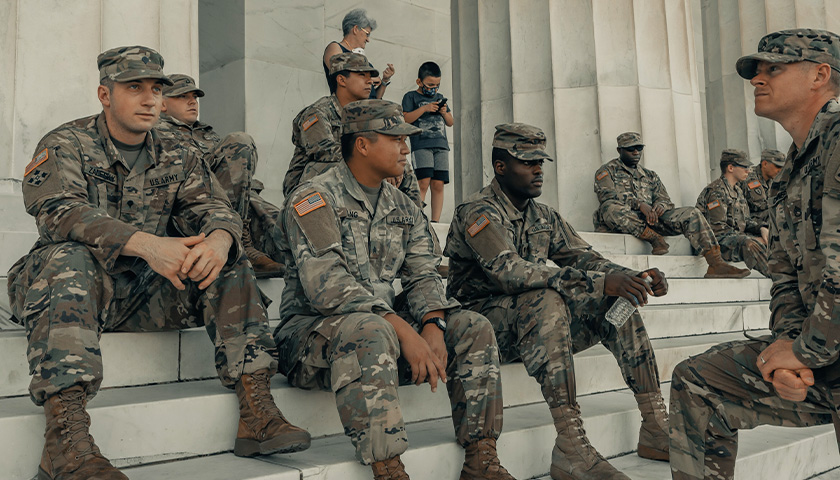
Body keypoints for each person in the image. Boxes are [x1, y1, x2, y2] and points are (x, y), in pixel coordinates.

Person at [5, 46, 310, 480]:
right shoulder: (66, 143)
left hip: (143, 293)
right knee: (69, 258)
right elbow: (58, 210)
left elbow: (214, 208)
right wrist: (147, 244)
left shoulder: (178, 152)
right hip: (68, 291)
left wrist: (222, 240)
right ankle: (64, 441)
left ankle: (256, 409)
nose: (150, 99)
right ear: (104, 95)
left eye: (156, 88)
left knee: (222, 259)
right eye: (134, 88)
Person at [273, 99, 513, 480]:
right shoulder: (313, 197)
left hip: (383, 335)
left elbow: (422, 273)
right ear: (363, 145)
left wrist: (432, 324)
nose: (406, 149)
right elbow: (326, 286)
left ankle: (481, 459)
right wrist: (403, 329)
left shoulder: (403, 204)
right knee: (372, 329)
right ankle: (389, 469)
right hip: (311, 339)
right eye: (396, 139)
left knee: (471, 326)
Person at [445, 123, 669, 480]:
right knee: (546, 298)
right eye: (527, 162)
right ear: (500, 167)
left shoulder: (542, 215)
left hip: (533, 331)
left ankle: (656, 425)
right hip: (482, 331)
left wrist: (633, 276)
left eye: (540, 162)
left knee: (617, 301)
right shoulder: (477, 212)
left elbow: (586, 258)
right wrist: (599, 282)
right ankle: (571, 444)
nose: (537, 170)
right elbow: (510, 272)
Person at [670, 29, 840, 480]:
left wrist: (805, 351)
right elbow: (785, 277)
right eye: (757, 71)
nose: (757, 80)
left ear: (820, 75)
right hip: (825, 352)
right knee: (700, 379)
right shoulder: (791, 171)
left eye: (773, 69)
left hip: (827, 345)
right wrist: (788, 345)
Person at [156, 73, 284, 277]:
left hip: (233, 201)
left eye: (195, 97)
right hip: (193, 206)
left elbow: (236, 174)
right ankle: (239, 243)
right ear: (162, 104)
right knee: (239, 140)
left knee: (284, 225)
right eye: (182, 97)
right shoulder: (154, 133)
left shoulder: (208, 134)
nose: (192, 102)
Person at [593, 132, 750, 278]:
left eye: (639, 148)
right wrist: (640, 205)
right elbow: (607, 195)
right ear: (619, 150)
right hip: (628, 218)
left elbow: (665, 199)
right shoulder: (607, 171)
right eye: (630, 149)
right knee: (609, 208)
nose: (636, 152)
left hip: (653, 219)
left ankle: (716, 263)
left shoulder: (650, 175)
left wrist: (660, 206)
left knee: (692, 213)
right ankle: (654, 238)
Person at [284, 53, 421, 206]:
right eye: (362, 75)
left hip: (352, 175)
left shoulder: (365, 117)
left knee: (402, 165)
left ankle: (414, 218)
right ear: (341, 80)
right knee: (338, 165)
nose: (369, 81)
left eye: (370, 76)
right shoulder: (318, 112)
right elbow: (322, 150)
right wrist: (376, 163)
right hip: (309, 184)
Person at [695, 149, 770, 277]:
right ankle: (779, 278)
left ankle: (790, 273)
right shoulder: (716, 191)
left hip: (732, 238)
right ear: (730, 168)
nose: (748, 170)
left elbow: (746, 221)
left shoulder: (737, 191)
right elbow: (718, 230)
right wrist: (753, 238)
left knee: (773, 236)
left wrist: (761, 228)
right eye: (744, 167)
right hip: (715, 244)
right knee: (749, 243)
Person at [402, 61, 454, 222]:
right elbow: (405, 118)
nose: (434, 89)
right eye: (430, 85)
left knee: (438, 183)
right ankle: (417, 217)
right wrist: (424, 108)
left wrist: (444, 113)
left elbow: (450, 122)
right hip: (421, 145)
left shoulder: (439, 98)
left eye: (437, 85)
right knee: (423, 181)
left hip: (441, 146)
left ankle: (435, 221)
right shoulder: (411, 96)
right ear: (419, 82)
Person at [322, 8, 394, 99]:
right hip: (347, 109)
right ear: (355, 29)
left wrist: (384, 80)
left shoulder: (362, 57)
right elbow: (341, 73)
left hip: (368, 110)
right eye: (367, 34)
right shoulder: (335, 47)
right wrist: (370, 79)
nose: (368, 40)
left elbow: (374, 98)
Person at [739, 148, 785, 226]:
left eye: (782, 167)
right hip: (750, 220)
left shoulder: (772, 178)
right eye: (777, 166)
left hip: (764, 216)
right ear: (765, 164)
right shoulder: (751, 179)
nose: (780, 170)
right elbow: (760, 206)